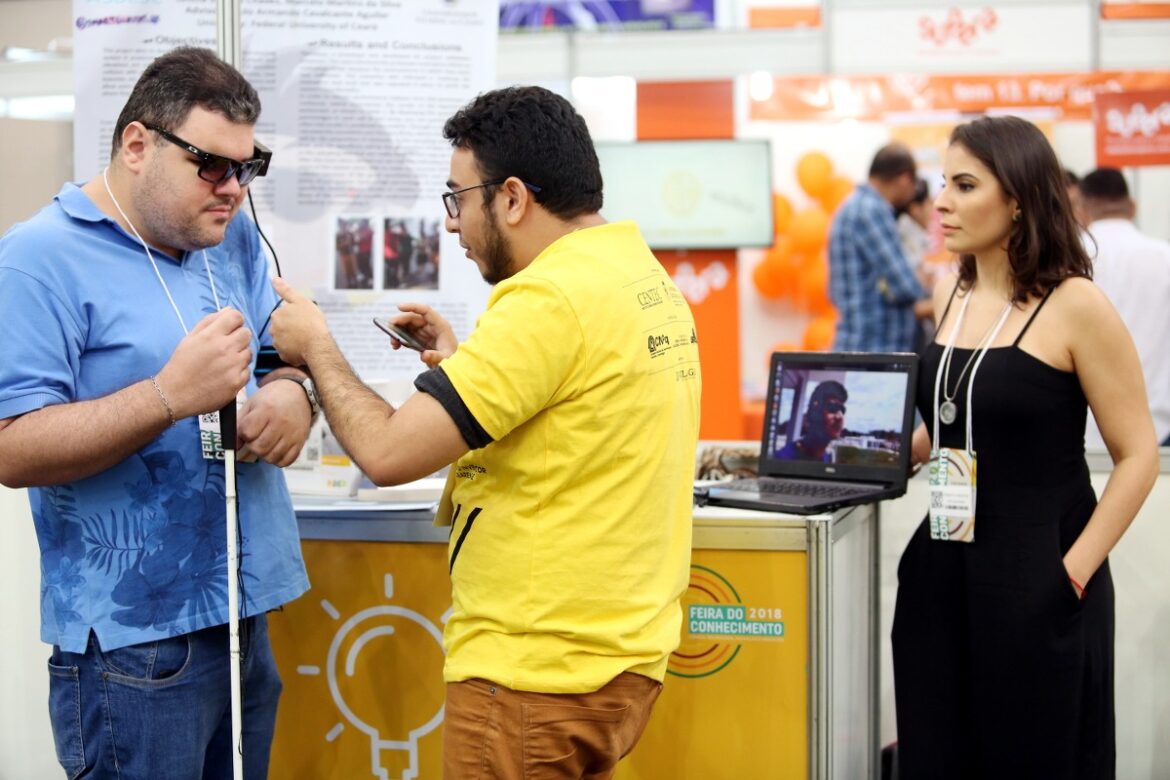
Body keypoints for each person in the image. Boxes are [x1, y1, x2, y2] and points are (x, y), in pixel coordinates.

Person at [269, 85, 702, 779]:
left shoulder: (547, 299)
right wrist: (466, 368)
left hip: (533, 672)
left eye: (458, 198)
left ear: (512, 198)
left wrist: (317, 347)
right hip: (617, 658)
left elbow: (386, 453)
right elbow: (574, 417)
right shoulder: (635, 274)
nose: (451, 224)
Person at [0, 47, 312, 779]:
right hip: (133, 644)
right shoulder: (36, 260)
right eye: (211, 165)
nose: (232, 189)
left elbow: (280, 353)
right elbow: (11, 447)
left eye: (247, 167)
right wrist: (167, 396)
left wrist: (294, 393)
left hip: (243, 612)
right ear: (137, 145)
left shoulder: (227, 235)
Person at [892, 115, 1157, 779]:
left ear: (1017, 199)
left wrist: (1072, 573)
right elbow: (962, 416)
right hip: (942, 570)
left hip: (1039, 576)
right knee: (939, 750)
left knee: (1037, 755)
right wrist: (879, 454)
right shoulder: (948, 291)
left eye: (963, 185)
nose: (941, 202)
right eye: (941, 183)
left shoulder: (1075, 304)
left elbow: (1138, 455)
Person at [1079, 167, 1170, 448]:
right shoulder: (1165, 258)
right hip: (1158, 426)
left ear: (1082, 209)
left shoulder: (1067, 259)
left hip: (1084, 428)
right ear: (1132, 207)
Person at [828, 142, 930, 352]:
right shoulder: (871, 211)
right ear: (905, 178)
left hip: (860, 343)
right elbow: (905, 286)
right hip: (874, 347)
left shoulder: (853, 206)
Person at [776, 380, 847, 462]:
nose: (840, 417)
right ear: (814, 413)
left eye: (842, 410)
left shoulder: (827, 459)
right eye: (832, 408)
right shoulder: (782, 459)